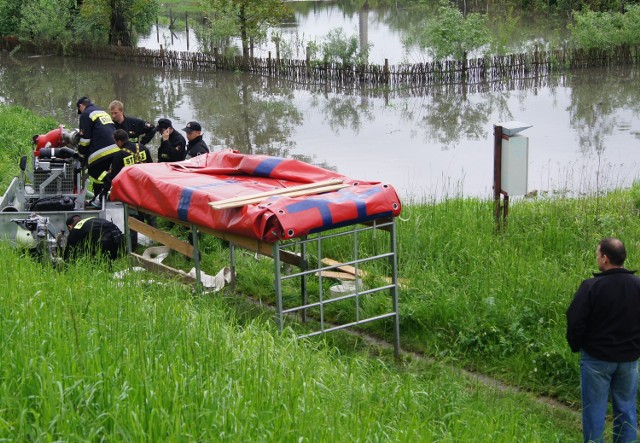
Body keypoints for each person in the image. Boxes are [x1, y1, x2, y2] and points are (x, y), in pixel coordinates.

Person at [566, 238, 640, 443]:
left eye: (598, 254)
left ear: (605, 259)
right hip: (629, 359)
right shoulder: (638, 285)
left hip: (596, 359)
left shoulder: (592, 286)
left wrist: (576, 344)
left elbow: (575, 320)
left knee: (594, 411)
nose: (597, 257)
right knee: (626, 409)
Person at [76, 96, 119, 205]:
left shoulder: (86, 114)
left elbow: (85, 139)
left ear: (81, 106)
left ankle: (112, 181)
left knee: (93, 170)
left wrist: (81, 155)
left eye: (79, 110)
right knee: (100, 176)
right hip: (115, 147)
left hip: (102, 150)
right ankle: (99, 198)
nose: (80, 112)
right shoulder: (102, 112)